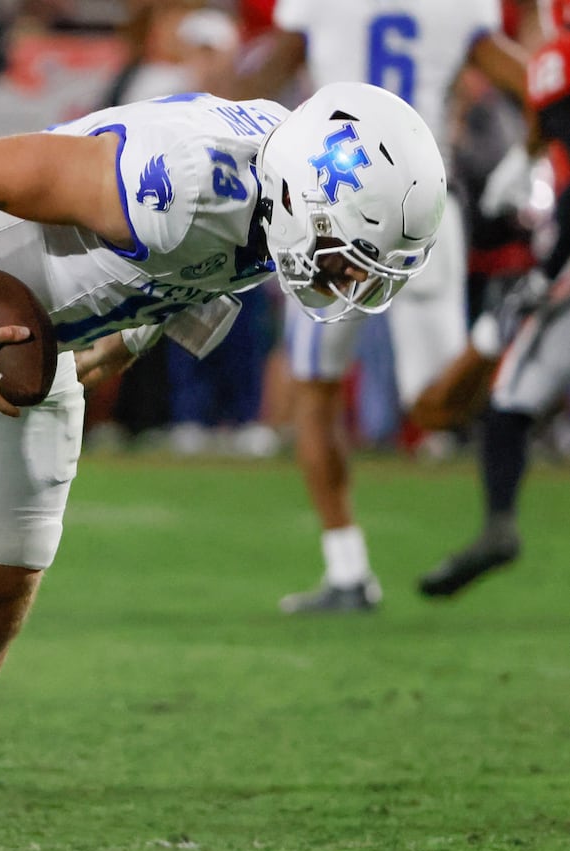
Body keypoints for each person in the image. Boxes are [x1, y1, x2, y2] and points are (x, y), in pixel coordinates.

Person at [0, 81, 447, 851]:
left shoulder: (273, 190)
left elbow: (200, 271)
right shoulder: (189, 175)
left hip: (35, 340)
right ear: (300, 192)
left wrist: (126, 330)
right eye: (339, 252)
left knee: (2, 590)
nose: (339, 277)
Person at [217, 0, 528, 613]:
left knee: (316, 388)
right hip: (421, 210)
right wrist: (537, 147)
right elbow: (536, 80)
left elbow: (260, 77)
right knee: (434, 409)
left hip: (328, 208)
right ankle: (500, 332)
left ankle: (348, 570)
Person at [418, 0, 570, 597]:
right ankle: (497, 527)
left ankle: (499, 526)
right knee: (510, 397)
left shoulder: (556, 61)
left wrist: (548, 270)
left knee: (511, 397)